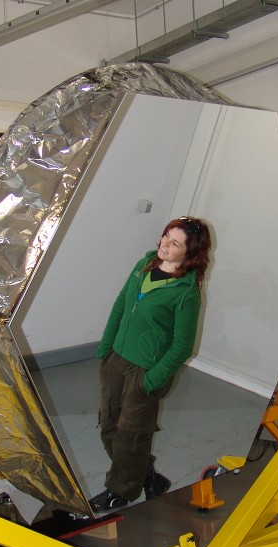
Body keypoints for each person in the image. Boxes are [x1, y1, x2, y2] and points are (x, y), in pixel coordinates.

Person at [91, 216, 212, 514]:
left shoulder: (186, 292)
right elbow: (121, 303)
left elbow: (182, 347)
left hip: (145, 371)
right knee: (109, 424)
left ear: (190, 253)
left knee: (131, 434)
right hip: (116, 359)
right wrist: (106, 348)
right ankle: (147, 477)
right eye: (165, 237)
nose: (164, 246)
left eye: (175, 243)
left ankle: (122, 491)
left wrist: (150, 380)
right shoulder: (144, 264)